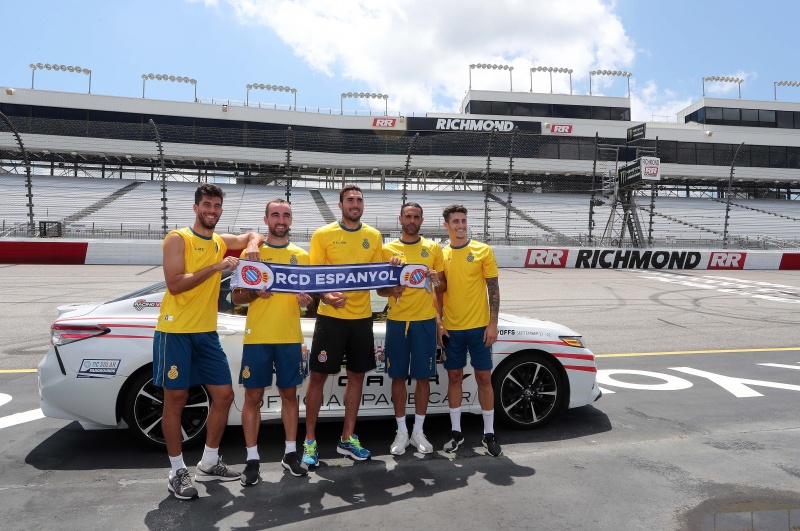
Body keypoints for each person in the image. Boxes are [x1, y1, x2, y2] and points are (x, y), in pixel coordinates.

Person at [153, 183, 261, 500]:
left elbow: (252, 234)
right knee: (176, 400)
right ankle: (176, 471)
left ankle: (209, 463)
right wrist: (216, 266)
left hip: (206, 333)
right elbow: (174, 285)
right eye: (207, 205)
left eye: (216, 206)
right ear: (196, 207)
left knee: (224, 396)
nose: (212, 211)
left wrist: (252, 244)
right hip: (175, 332)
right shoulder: (178, 238)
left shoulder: (219, 241)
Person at [231, 199, 313, 486]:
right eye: (275, 215)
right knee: (253, 398)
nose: (281, 220)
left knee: (290, 395)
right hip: (258, 338)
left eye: (286, 215)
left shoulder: (301, 255)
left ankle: (290, 454)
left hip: (290, 337)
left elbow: (307, 298)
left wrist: (305, 301)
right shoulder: (252, 253)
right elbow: (236, 296)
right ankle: (252, 459)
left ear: (291, 220)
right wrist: (255, 293)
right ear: (266, 219)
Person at [301, 184, 384, 465]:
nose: (355, 204)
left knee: (357, 377)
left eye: (359, 200)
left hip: (361, 319)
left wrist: (395, 267)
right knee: (317, 378)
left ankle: (347, 438)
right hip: (330, 319)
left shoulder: (373, 236)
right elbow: (313, 277)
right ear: (340, 205)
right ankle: (309, 441)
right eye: (350, 200)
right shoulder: (323, 234)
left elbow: (379, 276)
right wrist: (326, 296)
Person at [377, 203, 446, 455]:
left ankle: (418, 431)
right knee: (397, 377)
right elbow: (380, 290)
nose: (412, 220)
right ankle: (401, 432)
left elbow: (442, 286)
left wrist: (436, 279)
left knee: (423, 378)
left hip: (425, 321)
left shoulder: (433, 248)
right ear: (400, 219)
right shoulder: (387, 250)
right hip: (397, 321)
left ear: (422, 220)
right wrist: (392, 290)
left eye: (416, 217)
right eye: (408, 216)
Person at [436, 204, 502, 457]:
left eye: (463, 220)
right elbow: (438, 293)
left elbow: (493, 289)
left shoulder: (483, 250)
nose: (461, 225)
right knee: (454, 378)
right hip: (452, 330)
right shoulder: (441, 254)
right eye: (455, 221)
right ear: (447, 225)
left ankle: (489, 434)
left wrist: (493, 323)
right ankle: (456, 432)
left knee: (484, 379)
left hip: (479, 329)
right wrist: (439, 323)